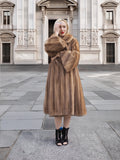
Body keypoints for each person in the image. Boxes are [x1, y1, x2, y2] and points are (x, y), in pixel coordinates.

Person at [43, 19, 87, 146]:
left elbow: (76, 57)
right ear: (55, 28)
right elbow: (48, 49)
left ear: (67, 27)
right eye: (59, 27)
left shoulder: (73, 40)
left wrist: (60, 54)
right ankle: (58, 133)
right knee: (57, 108)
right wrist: (55, 36)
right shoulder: (52, 39)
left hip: (69, 76)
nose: (62, 29)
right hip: (55, 77)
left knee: (68, 107)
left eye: (63, 26)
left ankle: (65, 134)